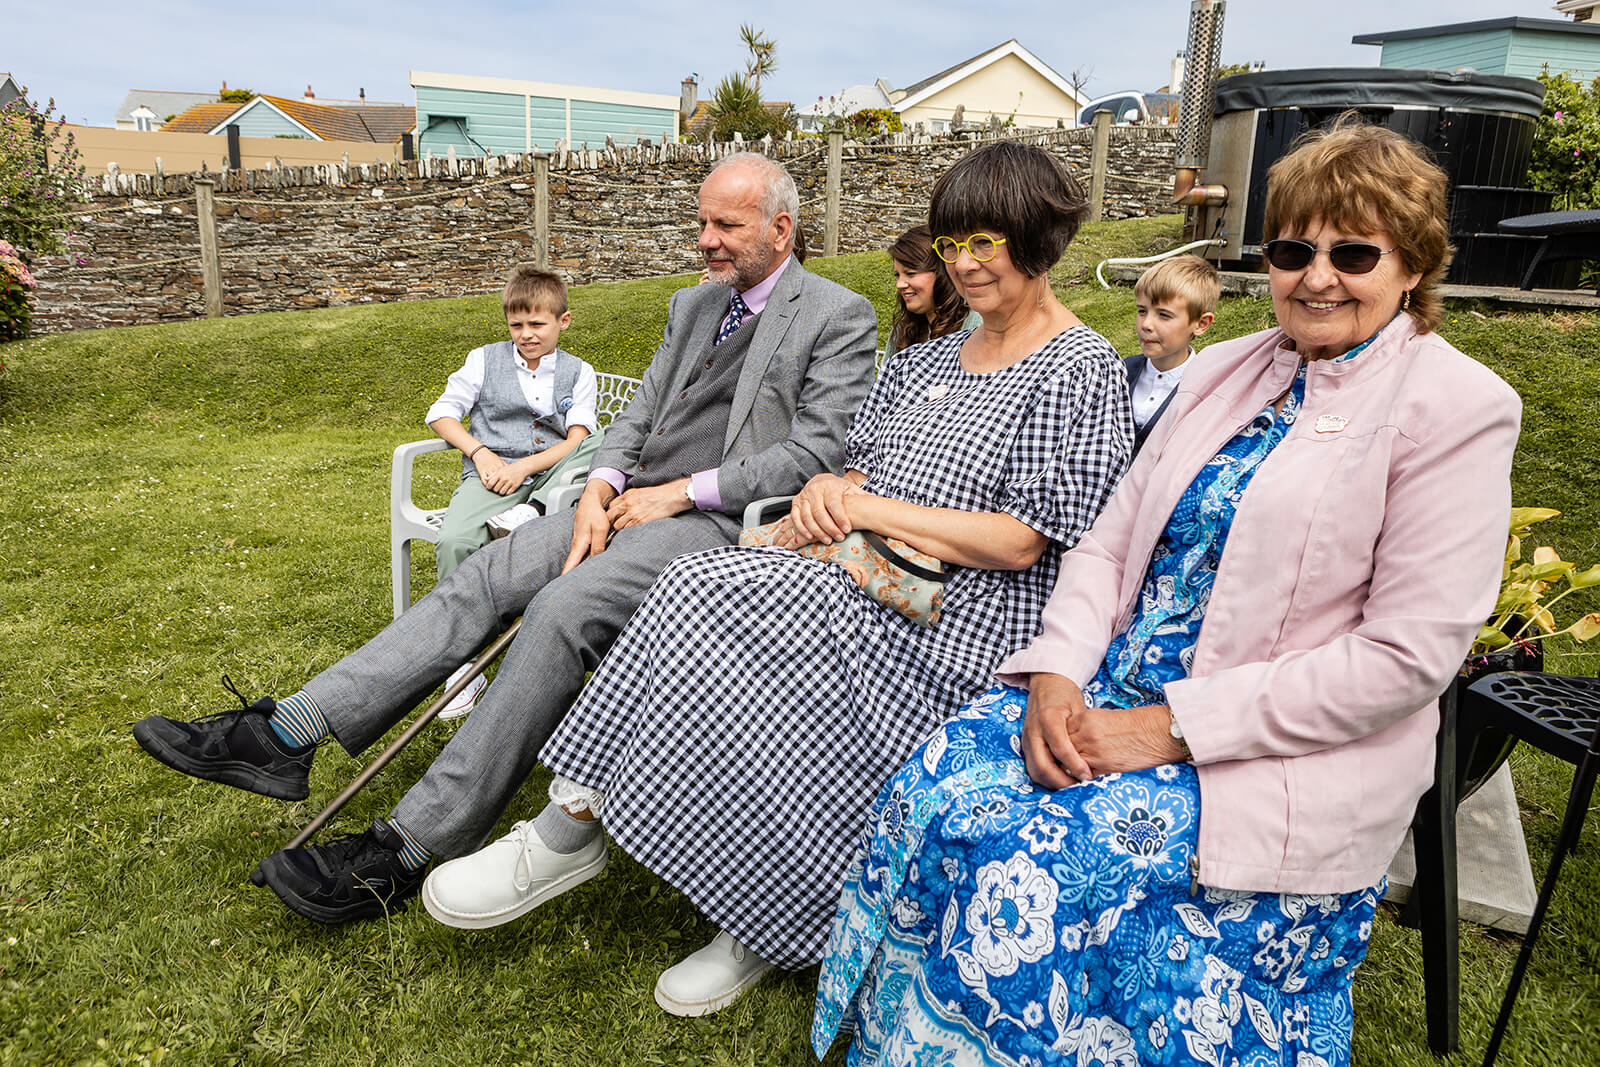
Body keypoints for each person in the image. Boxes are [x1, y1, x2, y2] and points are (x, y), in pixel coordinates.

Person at [812, 117, 1522, 1067]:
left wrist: (1162, 731)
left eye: (1352, 251)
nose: (1315, 276)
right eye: (1290, 248)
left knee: (1044, 863)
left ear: (1413, 264)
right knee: (938, 781)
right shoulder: (1230, 369)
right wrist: (1059, 674)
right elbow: (1109, 543)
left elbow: (1402, 660)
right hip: (1111, 690)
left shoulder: (1458, 408)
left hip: (1264, 755)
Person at [419, 142, 1134, 1020]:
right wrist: (837, 491)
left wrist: (867, 512)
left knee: (741, 626)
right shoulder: (929, 359)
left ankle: (751, 918)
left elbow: (1024, 540)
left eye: (988, 242)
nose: (967, 264)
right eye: (954, 244)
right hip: (862, 573)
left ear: (1042, 241)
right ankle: (573, 824)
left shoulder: (1080, 366)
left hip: (962, 617)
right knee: (696, 585)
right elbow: (856, 467)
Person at [131, 151, 879, 926]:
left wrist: (678, 494)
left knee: (559, 609)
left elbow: (814, 454)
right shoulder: (692, 309)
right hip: (627, 505)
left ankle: (409, 844)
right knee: (486, 575)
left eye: (725, 224)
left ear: (781, 228)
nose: (705, 240)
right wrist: (599, 489)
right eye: (701, 222)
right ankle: (284, 734)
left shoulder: (837, 315)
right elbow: (636, 420)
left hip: (721, 527)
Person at [423, 265, 603, 718]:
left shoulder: (581, 373)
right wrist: (481, 454)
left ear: (563, 321)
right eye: (516, 325)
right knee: (455, 540)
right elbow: (441, 416)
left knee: (600, 440)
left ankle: (532, 511)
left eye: (536, 324)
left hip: (553, 475)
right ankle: (463, 661)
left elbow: (577, 439)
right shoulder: (483, 359)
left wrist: (528, 468)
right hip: (493, 473)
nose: (525, 334)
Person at [1124, 254, 1218, 454]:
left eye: (1164, 315)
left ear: (1201, 324)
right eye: (1142, 311)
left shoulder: (1207, 389)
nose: (1146, 325)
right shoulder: (1120, 372)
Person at [882, 224, 980, 362]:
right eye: (897, 275)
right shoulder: (903, 329)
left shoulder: (973, 322)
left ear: (942, 272)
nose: (900, 284)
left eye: (910, 274)